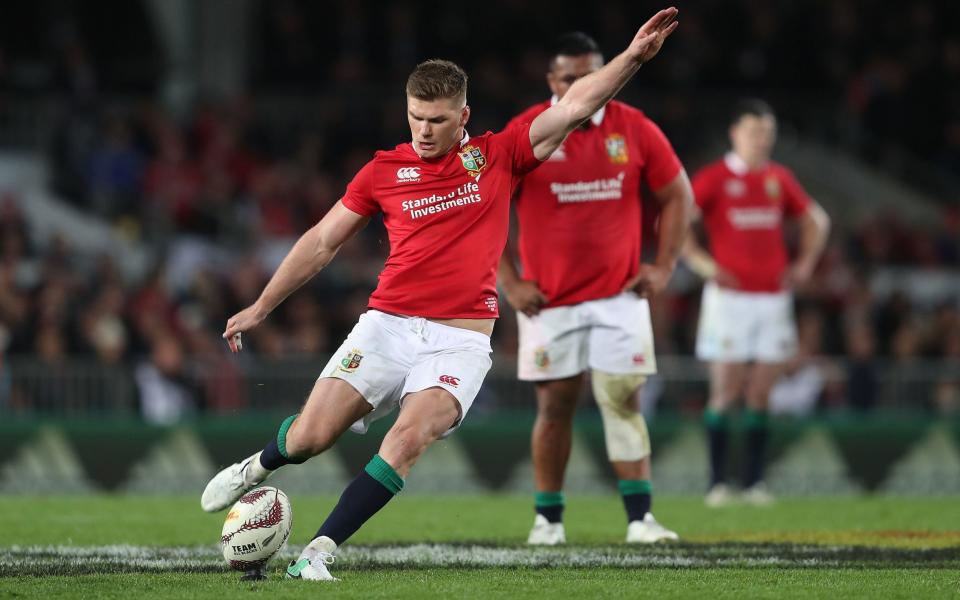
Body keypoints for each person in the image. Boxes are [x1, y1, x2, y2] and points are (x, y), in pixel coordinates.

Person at [200, 8, 680, 581]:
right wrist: (260, 306)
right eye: (416, 118)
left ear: (463, 117)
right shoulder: (382, 170)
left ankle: (318, 552)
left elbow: (575, 107)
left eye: (437, 119)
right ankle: (259, 465)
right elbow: (322, 241)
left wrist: (631, 58)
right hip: (386, 326)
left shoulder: (499, 156)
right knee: (309, 438)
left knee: (408, 437)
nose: (424, 131)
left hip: (459, 341)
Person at [499, 32, 691, 545]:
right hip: (550, 303)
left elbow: (678, 195)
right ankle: (548, 520)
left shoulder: (634, 127)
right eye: (569, 79)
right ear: (551, 81)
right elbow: (485, 206)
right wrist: (509, 281)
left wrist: (665, 265)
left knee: (623, 400)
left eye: (590, 76)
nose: (582, 87)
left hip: (619, 297)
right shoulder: (529, 131)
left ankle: (639, 519)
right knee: (555, 408)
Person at [683, 99, 830, 506]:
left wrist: (804, 264)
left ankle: (753, 483)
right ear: (735, 133)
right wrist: (703, 264)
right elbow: (678, 222)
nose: (761, 139)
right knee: (726, 390)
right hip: (729, 300)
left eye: (767, 132)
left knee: (761, 393)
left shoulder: (778, 178)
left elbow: (816, 220)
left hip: (773, 299)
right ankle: (716, 482)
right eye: (753, 131)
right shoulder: (714, 178)